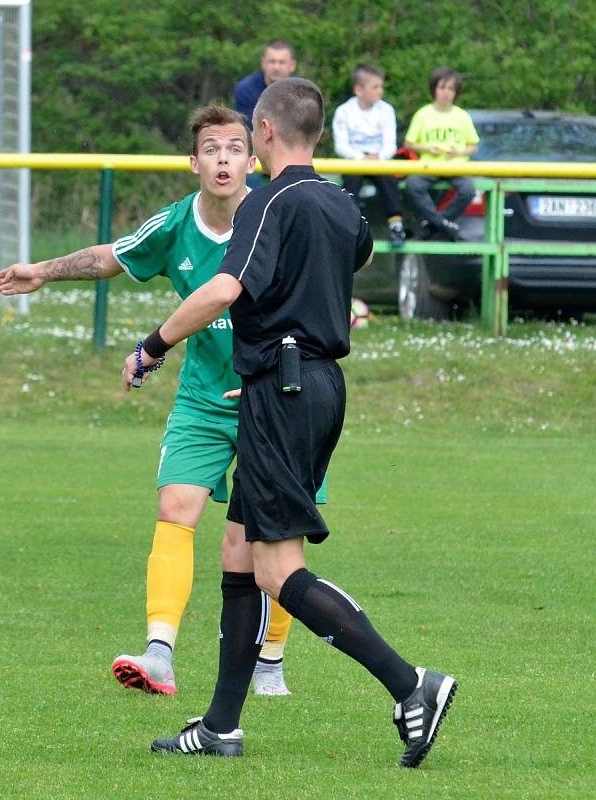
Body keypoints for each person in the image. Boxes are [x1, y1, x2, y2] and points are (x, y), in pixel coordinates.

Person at [126, 78, 457, 768]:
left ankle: (411, 684)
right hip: (316, 382)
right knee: (238, 555)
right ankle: (219, 727)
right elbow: (352, 256)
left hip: (282, 385)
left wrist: (153, 345)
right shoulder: (339, 204)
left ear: (265, 134)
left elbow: (222, 288)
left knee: (278, 569)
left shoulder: (267, 200)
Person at [0, 105, 305, 698]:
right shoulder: (177, 223)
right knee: (175, 506)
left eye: (235, 149)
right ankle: (159, 652)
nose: (222, 160)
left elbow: (320, 284)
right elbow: (112, 255)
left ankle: (270, 660)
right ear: (193, 162)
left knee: (265, 536)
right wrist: (42, 271)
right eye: (211, 149)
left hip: (273, 395)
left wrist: (284, 366)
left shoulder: (276, 215)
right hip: (202, 400)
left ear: (252, 158)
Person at [332, 64, 406, 246]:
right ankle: (351, 226)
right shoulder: (344, 112)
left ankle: (396, 225)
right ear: (359, 90)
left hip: (378, 160)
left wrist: (378, 157)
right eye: (375, 87)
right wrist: (361, 158)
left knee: (388, 178)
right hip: (355, 160)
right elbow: (341, 146)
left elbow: (390, 144)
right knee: (351, 180)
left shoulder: (386, 110)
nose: (380, 91)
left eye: (381, 86)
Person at [404, 66, 480, 241]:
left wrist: (459, 151)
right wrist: (427, 148)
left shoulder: (462, 116)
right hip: (429, 165)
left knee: (468, 190)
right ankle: (443, 224)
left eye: (451, 89)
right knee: (413, 185)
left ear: (456, 92)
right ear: (434, 89)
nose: (446, 93)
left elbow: (473, 146)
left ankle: (434, 224)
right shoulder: (423, 114)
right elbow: (409, 143)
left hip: (456, 166)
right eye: (442, 88)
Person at [235, 38, 297, 188]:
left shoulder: (302, 91)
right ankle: (252, 206)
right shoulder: (246, 88)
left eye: (281, 62)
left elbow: (302, 132)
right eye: (272, 61)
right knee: (247, 166)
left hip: (292, 147)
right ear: (263, 63)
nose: (276, 67)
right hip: (258, 147)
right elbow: (249, 132)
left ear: (292, 65)